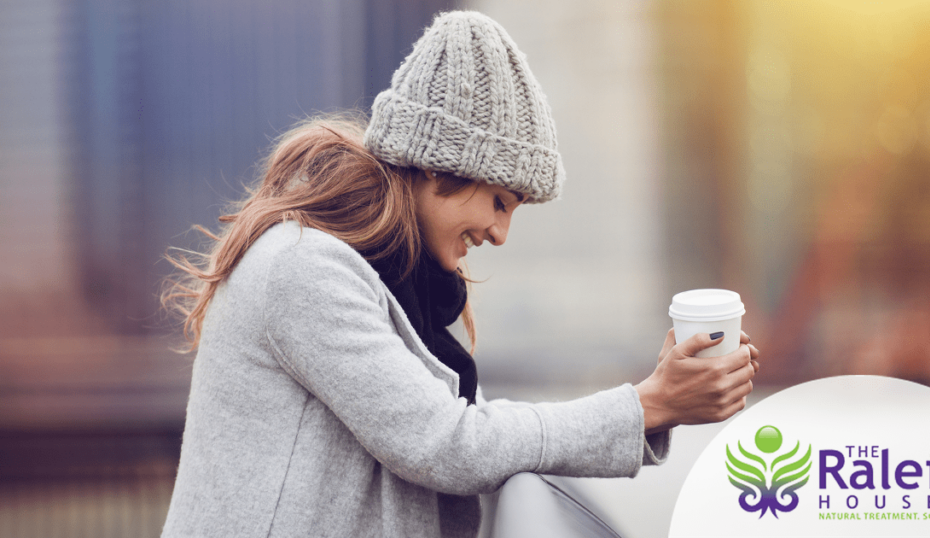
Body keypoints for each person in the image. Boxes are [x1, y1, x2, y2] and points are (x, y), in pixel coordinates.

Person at [160, 10, 758, 538]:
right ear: (441, 168)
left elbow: (475, 432)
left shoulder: (390, 279)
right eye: (498, 203)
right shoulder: (305, 270)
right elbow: (446, 444)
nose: (499, 234)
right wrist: (646, 405)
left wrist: (652, 401)